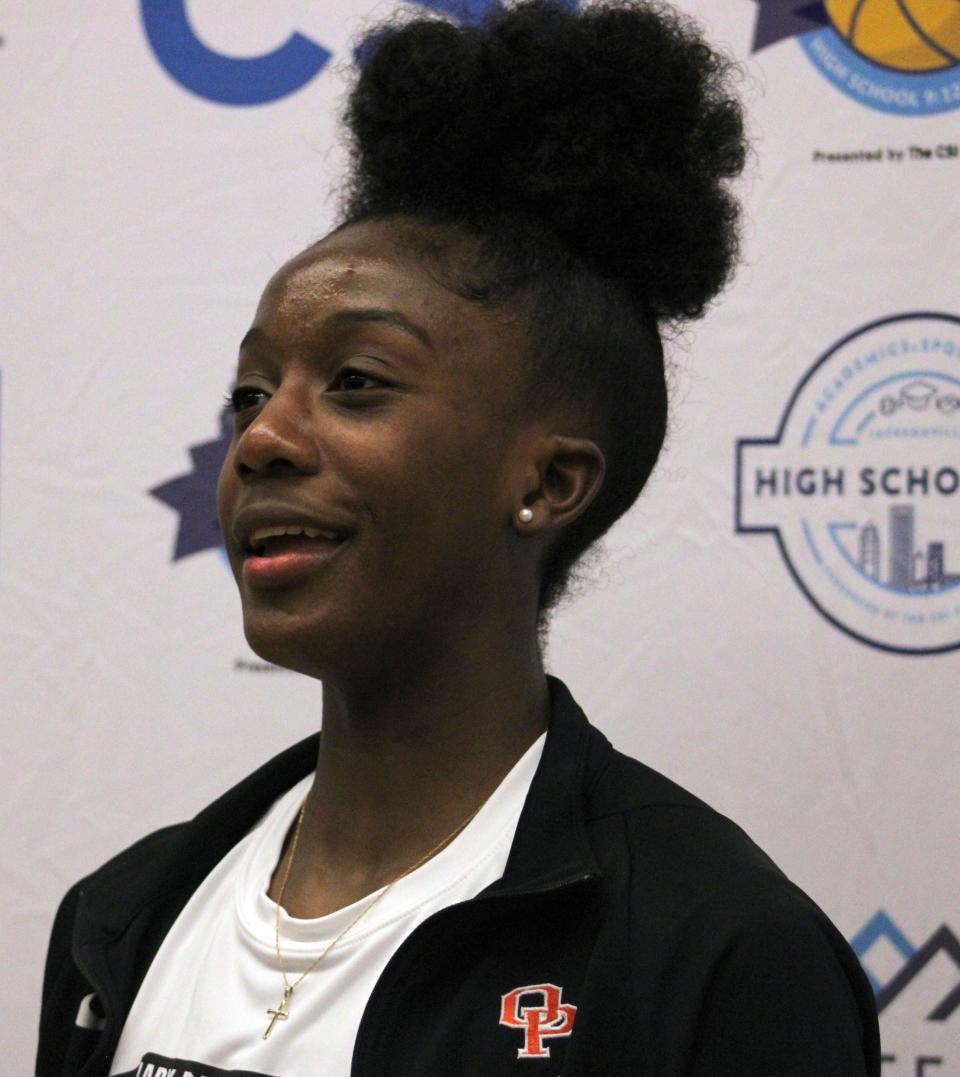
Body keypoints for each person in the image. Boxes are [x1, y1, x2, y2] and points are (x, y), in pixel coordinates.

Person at [37, 1, 881, 1074]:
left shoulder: (710, 953)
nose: (261, 441)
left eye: (356, 383)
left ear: (550, 483)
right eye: (251, 392)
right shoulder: (120, 917)